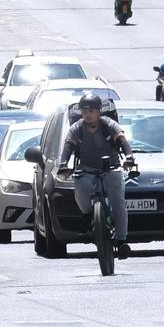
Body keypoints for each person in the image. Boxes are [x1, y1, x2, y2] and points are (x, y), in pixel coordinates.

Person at [60, 95, 133, 257]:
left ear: (99, 112)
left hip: (111, 168)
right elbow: (68, 147)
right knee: (79, 185)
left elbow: (121, 140)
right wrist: (63, 165)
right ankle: (87, 214)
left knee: (118, 201)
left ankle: (122, 241)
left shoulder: (109, 124)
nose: (88, 115)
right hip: (86, 169)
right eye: (84, 111)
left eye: (91, 111)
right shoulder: (76, 128)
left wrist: (129, 157)